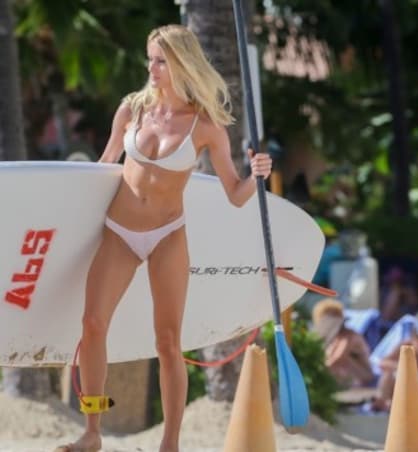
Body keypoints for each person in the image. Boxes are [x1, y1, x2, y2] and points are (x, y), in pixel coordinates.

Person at [56, 25, 272, 452]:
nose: (152, 68)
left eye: (160, 60)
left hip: (168, 235)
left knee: (168, 341)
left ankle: (170, 443)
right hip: (119, 232)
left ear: (181, 62)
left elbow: (234, 194)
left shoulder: (206, 126)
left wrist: (258, 177)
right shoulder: (131, 111)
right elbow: (103, 165)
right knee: (92, 324)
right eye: (150, 59)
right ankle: (92, 432)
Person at [311, 298, 374, 388]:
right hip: (348, 377)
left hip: (363, 377)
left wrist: (315, 373)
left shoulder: (349, 335)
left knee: (342, 361)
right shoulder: (335, 336)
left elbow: (338, 358)